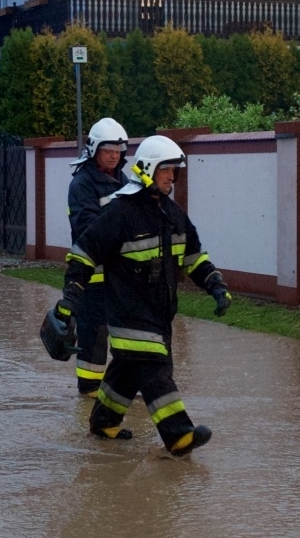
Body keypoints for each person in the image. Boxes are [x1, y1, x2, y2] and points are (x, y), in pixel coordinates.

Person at [57, 135, 232, 456]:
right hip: (128, 314)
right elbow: (84, 251)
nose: (172, 177)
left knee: (126, 370)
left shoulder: (174, 214)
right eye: (167, 170)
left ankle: (103, 423)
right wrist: (71, 297)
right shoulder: (121, 212)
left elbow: (193, 257)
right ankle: (178, 435)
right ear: (149, 169)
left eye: (174, 171)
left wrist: (216, 286)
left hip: (159, 314)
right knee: (155, 369)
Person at [65, 117, 130, 394]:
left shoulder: (124, 180)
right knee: (93, 336)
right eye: (108, 150)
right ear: (94, 150)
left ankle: (119, 388)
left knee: (125, 335)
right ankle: (89, 393)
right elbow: (87, 228)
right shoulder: (82, 184)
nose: (114, 155)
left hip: (121, 278)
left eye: (118, 150)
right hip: (92, 277)